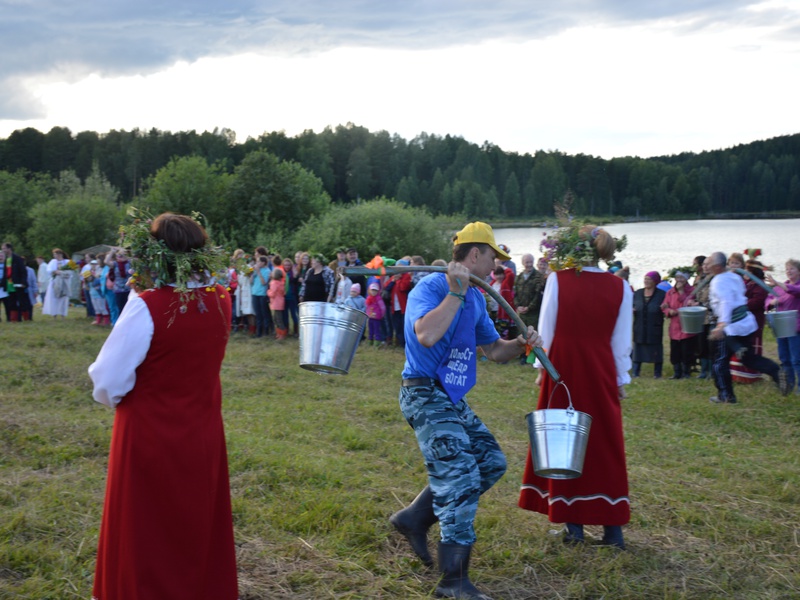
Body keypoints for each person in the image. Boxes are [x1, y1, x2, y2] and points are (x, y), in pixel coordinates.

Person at [88, 212, 237, 600]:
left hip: (148, 433)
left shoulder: (148, 305)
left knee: (145, 527)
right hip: (202, 430)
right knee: (193, 522)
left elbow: (107, 378)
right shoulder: (221, 298)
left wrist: (121, 402)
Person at [391, 222, 541, 600]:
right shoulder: (431, 287)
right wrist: (455, 293)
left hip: (451, 399)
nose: (494, 268)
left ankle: (415, 518)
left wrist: (522, 343)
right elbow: (425, 334)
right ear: (474, 254)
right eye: (492, 258)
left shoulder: (474, 298)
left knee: (490, 462)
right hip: (423, 394)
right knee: (460, 478)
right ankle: (453, 582)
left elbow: (493, 350)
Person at [518, 224, 632, 550]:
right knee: (603, 441)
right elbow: (621, 340)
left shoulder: (558, 280)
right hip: (600, 367)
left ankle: (575, 527)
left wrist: (542, 368)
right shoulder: (621, 287)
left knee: (562, 439)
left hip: (563, 368)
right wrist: (620, 377)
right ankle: (613, 530)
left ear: (574, 249)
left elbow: (547, 329)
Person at [706, 252, 787, 403]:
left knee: (719, 362)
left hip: (730, 327)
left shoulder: (718, 281)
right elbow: (740, 294)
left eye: (709, 262)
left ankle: (726, 396)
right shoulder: (735, 276)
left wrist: (721, 324)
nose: (706, 265)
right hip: (745, 323)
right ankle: (776, 371)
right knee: (748, 358)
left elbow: (726, 301)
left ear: (717, 266)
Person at [766, 259, 800, 395]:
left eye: (792, 268)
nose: (789, 271)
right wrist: (772, 301)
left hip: (795, 328)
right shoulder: (779, 288)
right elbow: (768, 300)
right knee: (784, 358)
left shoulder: (792, 286)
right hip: (781, 328)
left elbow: (794, 291)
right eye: (787, 269)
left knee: (796, 359)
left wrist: (776, 283)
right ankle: (788, 385)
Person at [661, 271, 695, 379]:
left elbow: (688, 303)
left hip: (686, 325)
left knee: (687, 350)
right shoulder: (670, 292)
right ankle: (676, 372)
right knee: (675, 350)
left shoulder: (692, 291)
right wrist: (668, 311)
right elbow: (665, 305)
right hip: (675, 326)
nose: (679, 280)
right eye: (677, 277)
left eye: (682, 278)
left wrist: (681, 292)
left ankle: (686, 372)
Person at [632, 271, 666, 378]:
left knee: (656, 349)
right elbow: (632, 304)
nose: (646, 281)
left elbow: (665, 307)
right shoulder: (638, 293)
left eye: (649, 279)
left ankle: (657, 373)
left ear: (655, 281)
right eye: (645, 279)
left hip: (654, 326)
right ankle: (636, 372)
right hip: (640, 325)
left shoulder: (661, 294)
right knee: (638, 348)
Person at [1, 241, 30, 321]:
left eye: (4, 248)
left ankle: (26, 318)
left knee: (21, 302)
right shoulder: (7, 260)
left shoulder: (17, 259)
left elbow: (23, 271)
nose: (3, 250)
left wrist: (23, 282)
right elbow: (5, 272)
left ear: (9, 249)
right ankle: (14, 319)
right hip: (9, 285)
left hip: (17, 284)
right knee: (12, 302)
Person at [42, 248, 72, 318]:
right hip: (55, 282)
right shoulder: (53, 261)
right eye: (54, 254)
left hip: (64, 282)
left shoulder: (68, 261)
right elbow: (49, 270)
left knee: (63, 299)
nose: (55, 256)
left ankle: (63, 314)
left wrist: (61, 272)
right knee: (54, 298)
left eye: (56, 254)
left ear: (60, 254)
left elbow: (71, 272)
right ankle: (54, 314)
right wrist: (55, 272)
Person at [251, 255, 272, 338]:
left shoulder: (267, 271)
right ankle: (258, 332)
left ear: (263, 263)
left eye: (259, 261)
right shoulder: (256, 270)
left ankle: (266, 331)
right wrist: (252, 273)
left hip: (262, 294)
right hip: (254, 293)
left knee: (264, 313)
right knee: (257, 313)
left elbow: (264, 282)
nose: (257, 263)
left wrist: (259, 272)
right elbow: (251, 281)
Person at [267, 267, 288, 340]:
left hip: (275, 303)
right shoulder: (281, 283)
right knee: (278, 319)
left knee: (277, 319)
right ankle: (279, 333)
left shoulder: (274, 283)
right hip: (280, 303)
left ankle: (281, 334)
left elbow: (272, 294)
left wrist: (268, 292)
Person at [365, 282, 386, 346]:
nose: (374, 292)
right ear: (369, 290)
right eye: (372, 290)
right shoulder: (369, 298)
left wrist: (381, 314)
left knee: (377, 330)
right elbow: (367, 307)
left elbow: (383, 307)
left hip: (377, 317)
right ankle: (370, 340)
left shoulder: (378, 298)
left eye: (375, 291)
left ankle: (377, 342)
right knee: (370, 329)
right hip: (370, 317)